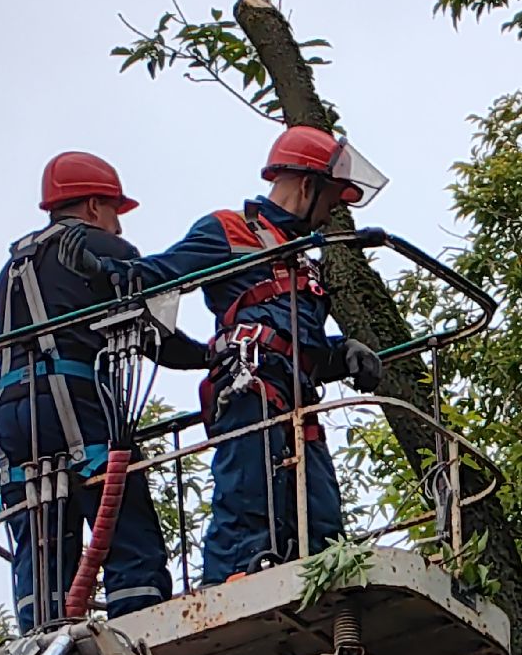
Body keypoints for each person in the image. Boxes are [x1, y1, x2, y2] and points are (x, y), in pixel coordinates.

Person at [81, 125, 388, 584]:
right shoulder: (229, 230)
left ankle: (321, 586)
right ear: (307, 185)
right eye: (329, 200)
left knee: (320, 516)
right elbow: (160, 273)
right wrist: (102, 270)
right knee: (249, 502)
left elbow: (298, 336)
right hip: (251, 384)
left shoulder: (304, 258)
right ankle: (232, 581)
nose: (330, 215)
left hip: (297, 394)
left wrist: (341, 353)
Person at [0, 151, 206, 630]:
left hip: (11, 415)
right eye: (113, 214)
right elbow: (155, 335)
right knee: (126, 528)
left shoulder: (12, 269)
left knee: (43, 530)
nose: (119, 230)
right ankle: (139, 629)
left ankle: (40, 636)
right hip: (77, 400)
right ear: (90, 207)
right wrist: (210, 356)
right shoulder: (102, 251)